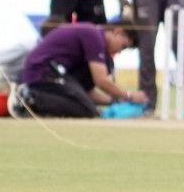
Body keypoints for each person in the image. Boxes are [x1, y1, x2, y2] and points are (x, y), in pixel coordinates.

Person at [17, 19, 145, 118]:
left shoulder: (93, 37)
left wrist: (114, 102)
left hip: (52, 72)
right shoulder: (94, 36)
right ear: (118, 31)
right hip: (43, 71)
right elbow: (101, 81)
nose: (120, 51)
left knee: (89, 109)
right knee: (87, 109)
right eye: (123, 46)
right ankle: (29, 99)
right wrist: (129, 96)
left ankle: (33, 98)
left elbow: (84, 93)